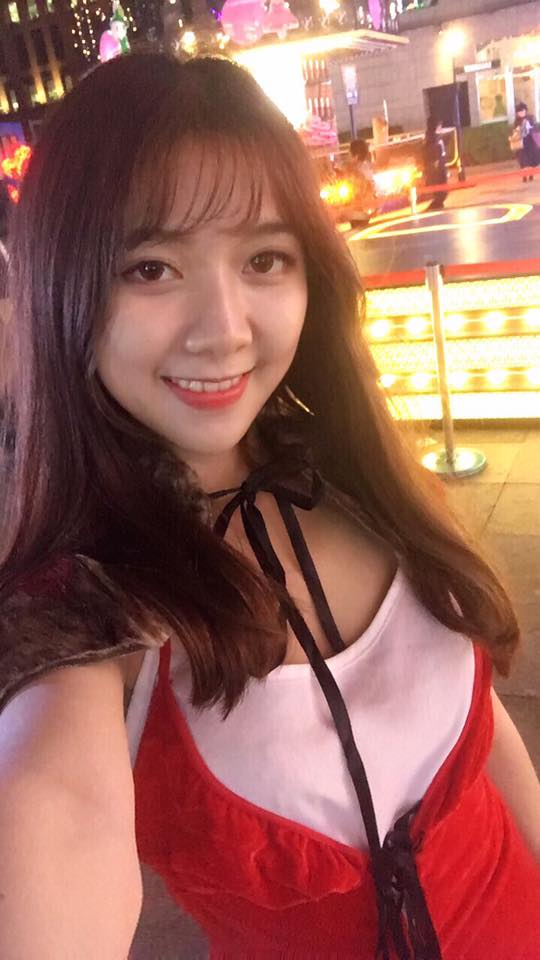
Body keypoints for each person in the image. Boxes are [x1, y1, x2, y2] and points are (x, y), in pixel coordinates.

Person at [0, 52, 539, 960]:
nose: (224, 330)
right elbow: (53, 816)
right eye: (150, 268)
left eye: (263, 259)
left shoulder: (360, 473)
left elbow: (486, 735)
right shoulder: (88, 627)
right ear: (64, 287)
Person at [422, 115, 448, 211]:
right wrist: (436, 163)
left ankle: (439, 202)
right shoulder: (431, 138)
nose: (440, 127)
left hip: (440, 165)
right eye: (439, 125)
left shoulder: (436, 136)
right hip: (437, 167)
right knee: (439, 185)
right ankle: (437, 202)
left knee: (442, 185)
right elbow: (432, 152)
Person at [510, 101, 539, 182]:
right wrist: (516, 132)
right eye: (519, 112)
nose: (521, 113)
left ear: (525, 110)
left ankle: (531, 174)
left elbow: (535, 128)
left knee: (531, 160)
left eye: (522, 111)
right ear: (517, 113)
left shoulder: (530, 118)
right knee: (523, 160)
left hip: (530, 142)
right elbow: (514, 131)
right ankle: (524, 175)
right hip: (521, 143)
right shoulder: (516, 121)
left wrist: (530, 128)